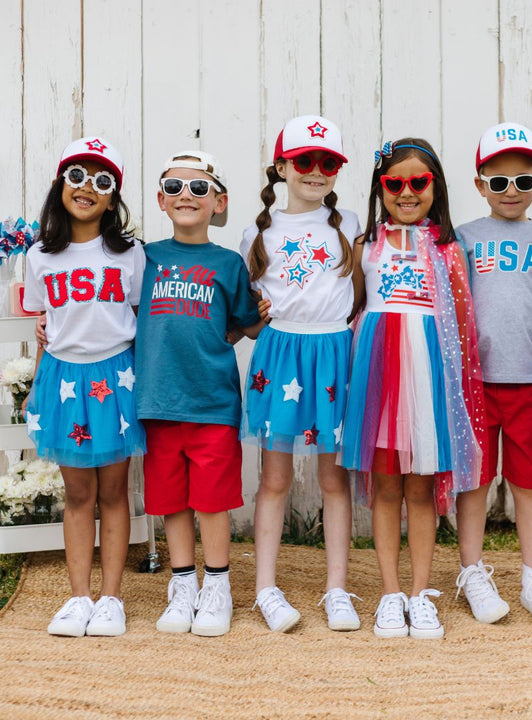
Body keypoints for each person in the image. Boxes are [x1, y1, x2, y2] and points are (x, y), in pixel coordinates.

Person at [341, 138, 486, 639]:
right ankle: (389, 594)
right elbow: (354, 309)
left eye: (418, 182)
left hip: (428, 376)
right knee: (385, 485)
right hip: (379, 375)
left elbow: (463, 323)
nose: (406, 192)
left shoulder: (447, 248)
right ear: (380, 188)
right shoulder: (367, 244)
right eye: (394, 183)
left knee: (420, 487)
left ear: (435, 187)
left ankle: (421, 594)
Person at [239, 115, 363, 633]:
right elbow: (246, 316)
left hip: (334, 352)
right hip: (281, 354)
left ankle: (337, 587)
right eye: (304, 161)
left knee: (335, 477)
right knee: (275, 476)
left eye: (327, 162)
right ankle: (266, 588)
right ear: (282, 167)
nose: (316, 171)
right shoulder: (258, 231)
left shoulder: (351, 225)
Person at [135, 150, 261, 637]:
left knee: (211, 500)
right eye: (174, 188)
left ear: (218, 201)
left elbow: (245, 324)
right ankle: (183, 583)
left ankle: (218, 585)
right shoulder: (144, 258)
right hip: (158, 400)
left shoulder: (228, 264)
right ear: (161, 201)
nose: (185, 195)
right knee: (171, 499)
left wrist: (268, 311)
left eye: (198, 188)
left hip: (212, 401)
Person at [24, 136, 146, 637]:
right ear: (60, 185)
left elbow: (139, 314)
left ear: (113, 197)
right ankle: (78, 598)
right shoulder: (38, 256)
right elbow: (45, 323)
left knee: (114, 491)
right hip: (64, 378)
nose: (87, 188)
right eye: (77, 176)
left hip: (115, 376)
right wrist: (35, 384)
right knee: (78, 494)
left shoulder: (130, 254)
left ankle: (111, 598)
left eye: (102, 181)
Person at [454, 122, 532, 626]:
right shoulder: (464, 237)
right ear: (480, 184)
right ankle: (473, 572)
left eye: (522, 181)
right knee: (474, 483)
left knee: (527, 483)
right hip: (474, 385)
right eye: (498, 182)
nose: (511, 192)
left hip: (529, 383)